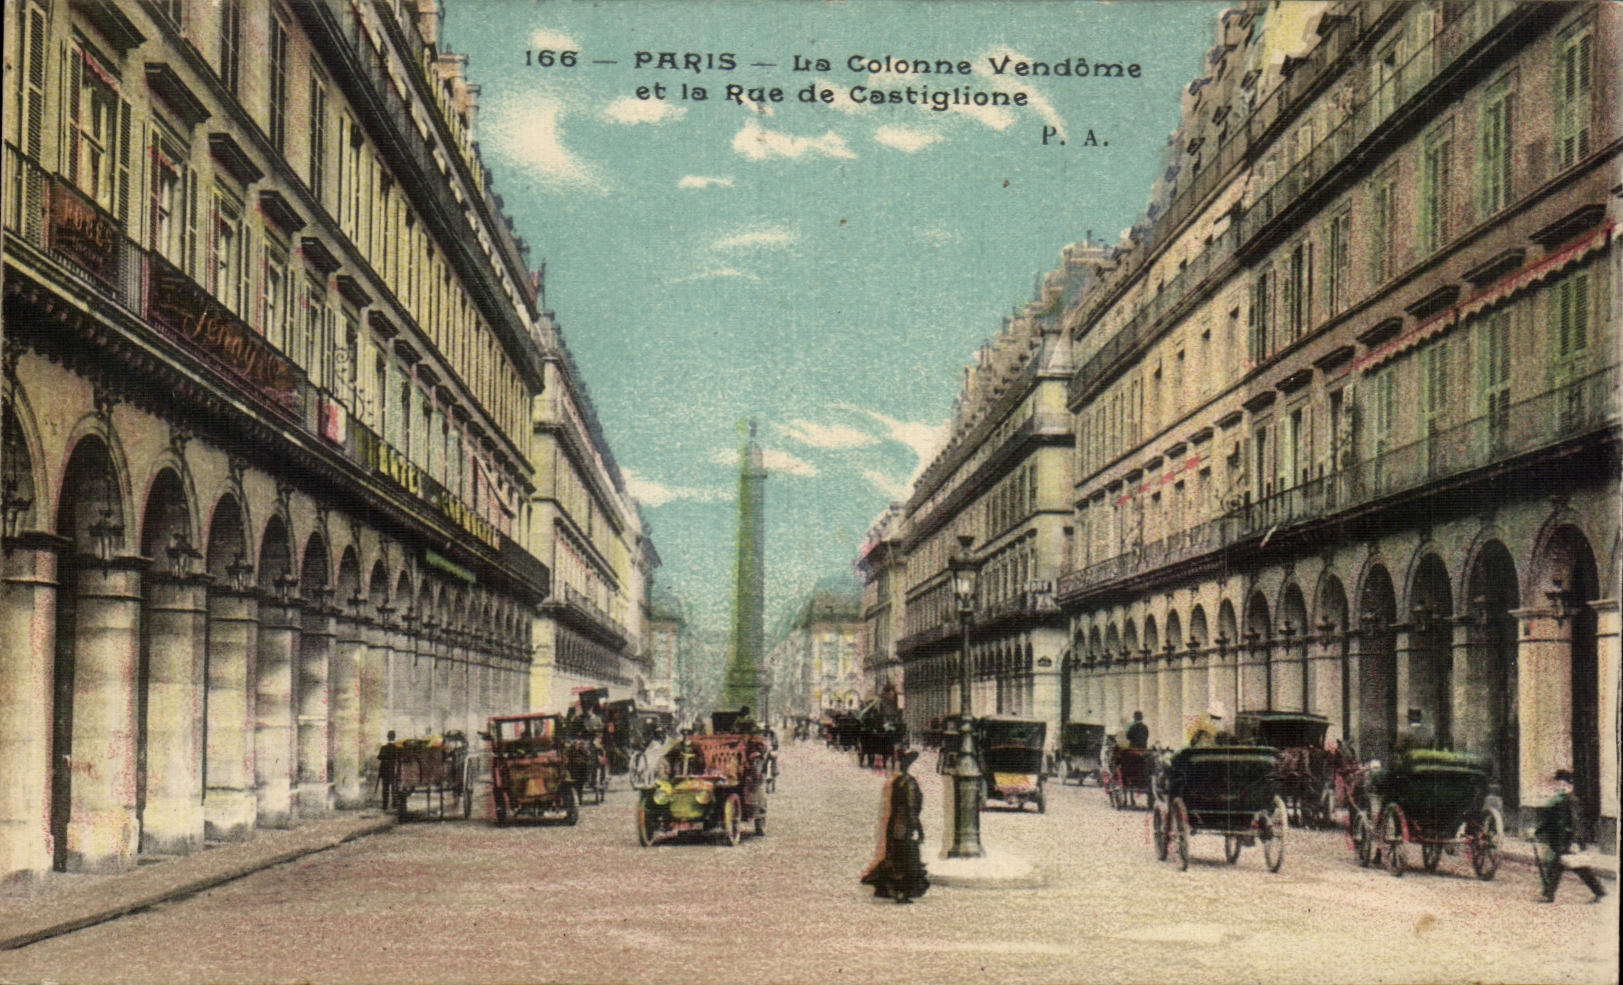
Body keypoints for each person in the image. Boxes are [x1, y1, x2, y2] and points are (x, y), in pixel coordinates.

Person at [860, 749, 929, 904]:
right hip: (904, 824)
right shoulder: (910, 783)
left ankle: (884, 888)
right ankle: (899, 891)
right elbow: (911, 808)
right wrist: (917, 828)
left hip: (895, 823)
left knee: (895, 855)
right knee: (905, 858)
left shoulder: (897, 781)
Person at [1535, 769, 1606, 904]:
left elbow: (1577, 823)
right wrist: (1537, 833)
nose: (1556, 786)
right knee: (1557, 868)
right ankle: (1548, 895)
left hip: (1568, 841)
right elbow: (1550, 821)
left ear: (1566, 784)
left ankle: (1599, 892)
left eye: (1559, 783)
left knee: (1579, 869)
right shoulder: (1560, 800)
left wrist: (1575, 842)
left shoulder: (1572, 800)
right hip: (1560, 841)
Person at [377, 731, 399, 809]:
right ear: (394, 737)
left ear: (387, 737)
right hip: (393, 771)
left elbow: (379, 757)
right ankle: (395, 804)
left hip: (385, 771)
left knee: (385, 789)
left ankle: (385, 805)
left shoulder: (384, 748)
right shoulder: (397, 748)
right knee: (394, 788)